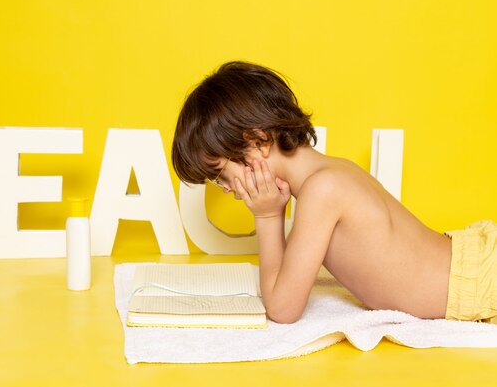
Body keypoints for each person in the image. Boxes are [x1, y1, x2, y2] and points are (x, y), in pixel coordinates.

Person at [171, 61, 496, 324]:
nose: (227, 189)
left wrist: (268, 215)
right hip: (473, 263)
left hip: (480, 281)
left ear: (256, 142)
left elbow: (283, 309)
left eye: (220, 176)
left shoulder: (322, 190)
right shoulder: (329, 174)